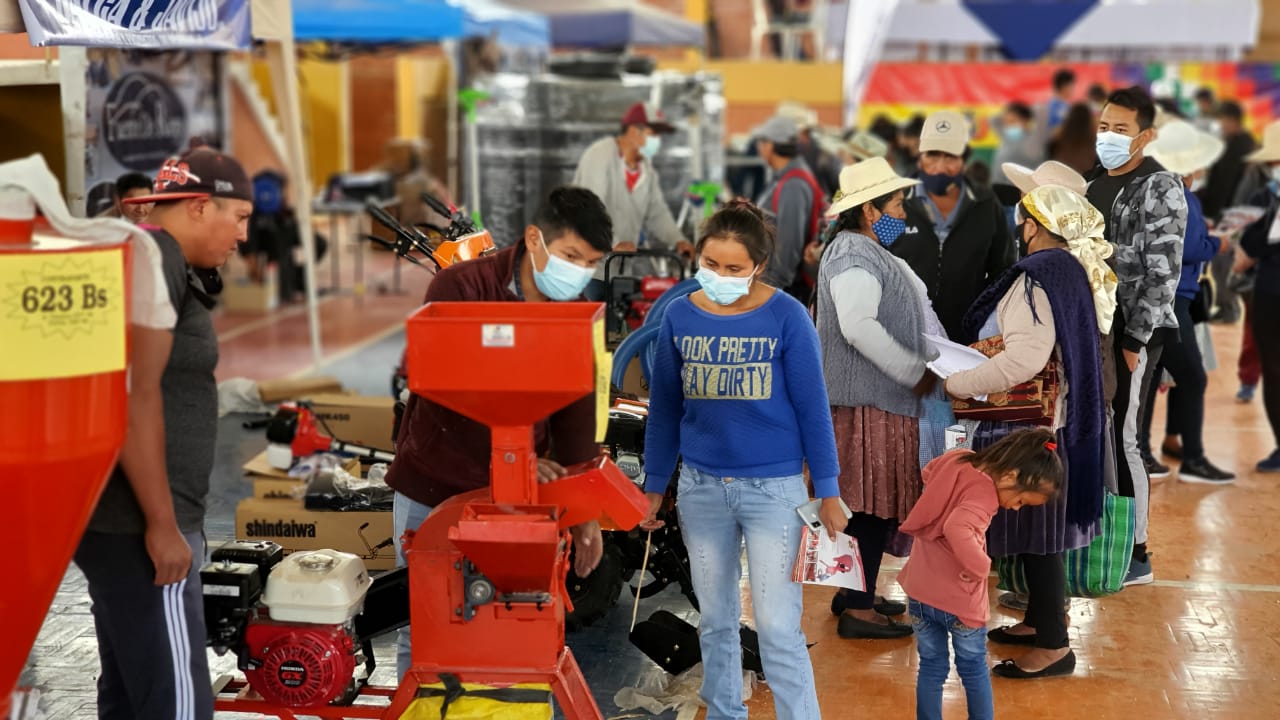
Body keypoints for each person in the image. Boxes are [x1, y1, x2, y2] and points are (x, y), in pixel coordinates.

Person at [385, 187, 614, 678]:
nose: (580, 272)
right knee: (424, 625)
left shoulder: (573, 308)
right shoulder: (459, 288)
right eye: (572, 256)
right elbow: (449, 393)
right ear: (535, 240)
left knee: (508, 619)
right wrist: (512, 456)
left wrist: (585, 512)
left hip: (516, 494)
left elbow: (578, 409)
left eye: (591, 262)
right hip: (436, 481)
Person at [639, 201, 843, 720]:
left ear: (758, 265)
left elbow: (813, 408)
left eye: (734, 269)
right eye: (710, 265)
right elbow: (664, 409)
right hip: (702, 491)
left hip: (774, 494)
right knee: (715, 620)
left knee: (777, 627)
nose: (720, 277)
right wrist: (654, 485)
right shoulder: (680, 315)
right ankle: (726, 712)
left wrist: (830, 489)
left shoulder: (787, 316)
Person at [75, 148, 254, 720]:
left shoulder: (148, 255)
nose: (244, 235)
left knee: (131, 691)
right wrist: (163, 524)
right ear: (200, 206)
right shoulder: (158, 258)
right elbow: (132, 393)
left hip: (115, 522)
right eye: (241, 217)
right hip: (142, 526)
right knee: (178, 702)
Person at [946, 184, 1112, 679]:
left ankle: (1055, 648)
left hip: (1025, 425)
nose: (1021, 230)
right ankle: (1041, 620)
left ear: (1036, 226)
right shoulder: (1070, 270)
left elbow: (1024, 359)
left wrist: (959, 382)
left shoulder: (1036, 277)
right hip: (1058, 420)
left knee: (1039, 535)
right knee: (1041, 532)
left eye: (1024, 221)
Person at [817, 158, 935, 640]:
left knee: (867, 502)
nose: (903, 212)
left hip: (876, 399)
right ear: (869, 211)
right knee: (866, 504)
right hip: (866, 400)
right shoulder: (853, 255)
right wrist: (912, 370)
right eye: (896, 204)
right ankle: (859, 609)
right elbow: (858, 325)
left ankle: (853, 590)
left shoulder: (861, 250)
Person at [1085, 86, 1186, 586]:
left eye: (1120, 129)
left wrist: (1134, 342)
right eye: (1104, 126)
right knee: (1099, 434)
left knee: (1124, 437)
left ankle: (1136, 552)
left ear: (1144, 136)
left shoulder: (1159, 186)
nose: (1108, 136)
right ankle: (1103, 536)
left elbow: (1163, 272)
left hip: (1131, 334)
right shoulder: (1090, 183)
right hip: (1092, 329)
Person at [899, 428, 1064, 720]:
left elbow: (929, 472)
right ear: (1011, 476)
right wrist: (981, 566)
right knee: (974, 670)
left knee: (931, 667)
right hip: (959, 602)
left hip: (920, 591)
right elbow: (957, 527)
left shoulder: (959, 458)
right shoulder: (984, 496)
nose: (1014, 508)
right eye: (1021, 501)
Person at [1138, 120, 1236, 483]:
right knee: (1192, 378)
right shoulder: (1184, 196)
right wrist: (1217, 244)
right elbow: (1190, 248)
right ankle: (1193, 458)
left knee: (1147, 377)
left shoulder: (1150, 192)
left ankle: (1142, 452)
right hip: (1175, 300)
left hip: (1151, 298)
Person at [894, 110, 1014, 340]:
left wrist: (982, 316)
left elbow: (1003, 270)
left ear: (963, 159)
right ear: (919, 156)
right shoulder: (896, 202)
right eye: (932, 155)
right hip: (905, 336)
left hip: (965, 337)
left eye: (950, 157)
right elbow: (878, 259)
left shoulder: (985, 205)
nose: (940, 166)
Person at [571, 102, 694, 285]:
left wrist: (678, 240)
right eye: (653, 134)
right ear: (633, 131)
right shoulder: (601, 155)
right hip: (588, 269)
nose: (657, 141)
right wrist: (614, 243)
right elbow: (591, 209)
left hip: (618, 270)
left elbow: (657, 213)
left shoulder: (647, 171)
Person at [1236, 130, 1280, 473]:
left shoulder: (1263, 200)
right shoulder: (1262, 200)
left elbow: (1244, 256)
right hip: (1269, 296)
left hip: (1270, 294)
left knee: (1276, 373)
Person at [753, 114, 825, 304]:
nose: (758, 147)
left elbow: (789, 246)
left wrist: (769, 292)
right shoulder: (783, 178)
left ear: (770, 145)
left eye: (761, 142)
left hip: (785, 290)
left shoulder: (794, 183)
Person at [1203, 100, 1259, 323]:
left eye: (1223, 120)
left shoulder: (1245, 148)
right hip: (1221, 212)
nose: (1220, 124)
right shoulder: (1229, 144)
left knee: (1225, 265)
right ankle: (1228, 307)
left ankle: (1230, 308)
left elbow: (1237, 187)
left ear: (1233, 121)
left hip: (1234, 214)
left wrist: (1232, 218)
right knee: (1220, 264)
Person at [991, 102, 1043, 187]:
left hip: (1018, 191)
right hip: (998, 187)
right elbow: (993, 120)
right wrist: (1008, 112)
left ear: (1025, 121)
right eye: (1006, 122)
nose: (1008, 126)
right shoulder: (1006, 137)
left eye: (1012, 121)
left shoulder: (1033, 142)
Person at [1049, 103, 1101, 177]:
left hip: (1060, 173)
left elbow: (1050, 152)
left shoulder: (1061, 135)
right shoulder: (1093, 139)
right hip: (1081, 177)